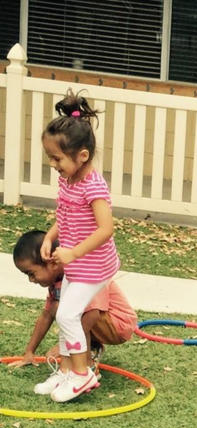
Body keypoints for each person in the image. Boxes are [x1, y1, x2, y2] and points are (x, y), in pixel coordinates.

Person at [33, 90, 121, 402]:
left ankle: (83, 375)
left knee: (68, 314)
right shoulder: (67, 180)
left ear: (82, 156)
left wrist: (73, 252)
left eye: (57, 158)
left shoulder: (94, 185)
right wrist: (50, 236)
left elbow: (106, 229)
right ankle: (68, 372)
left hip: (94, 266)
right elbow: (66, 215)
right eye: (50, 157)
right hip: (76, 262)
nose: (52, 164)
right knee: (64, 314)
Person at [7, 230, 137, 375]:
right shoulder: (56, 281)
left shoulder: (83, 272)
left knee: (66, 310)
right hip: (100, 320)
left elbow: (92, 314)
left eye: (31, 273)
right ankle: (92, 347)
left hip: (118, 324)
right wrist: (29, 352)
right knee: (59, 309)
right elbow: (46, 315)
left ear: (52, 263)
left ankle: (87, 369)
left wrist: (66, 347)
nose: (31, 280)